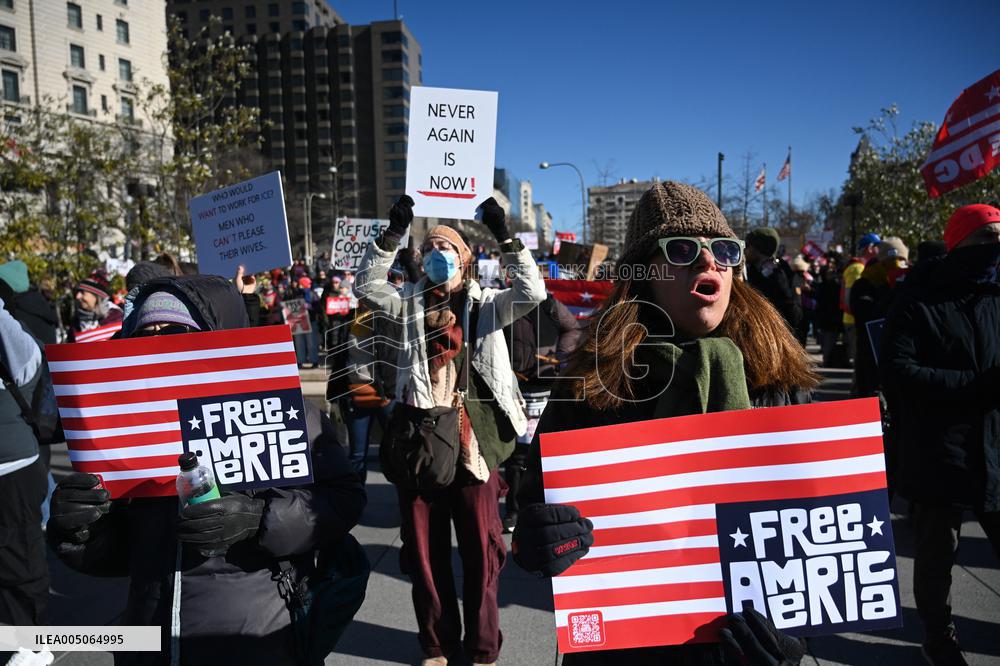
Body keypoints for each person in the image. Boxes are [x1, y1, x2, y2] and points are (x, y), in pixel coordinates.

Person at [512, 181, 817, 665]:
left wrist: (791, 642)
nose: (708, 261)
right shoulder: (592, 383)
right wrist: (536, 541)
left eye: (723, 250)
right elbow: (535, 502)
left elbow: (818, 533)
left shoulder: (777, 380)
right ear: (645, 273)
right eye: (682, 249)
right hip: (622, 647)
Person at [47, 274, 366, 666]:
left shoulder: (284, 410)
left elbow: (344, 500)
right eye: (147, 333)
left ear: (213, 337)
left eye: (177, 330)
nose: (159, 342)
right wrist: (77, 530)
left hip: (252, 639)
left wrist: (259, 519)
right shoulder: (123, 431)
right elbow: (121, 556)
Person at [354, 194, 547, 666]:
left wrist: (504, 235)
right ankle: (437, 645)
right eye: (431, 248)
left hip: (472, 446)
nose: (438, 254)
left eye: (448, 248)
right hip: (419, 444)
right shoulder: (407, 305)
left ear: (464, 261)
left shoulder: (486, 307)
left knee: (482, 554)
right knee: (424, 554)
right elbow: (365, 285)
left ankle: (482, 650)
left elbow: (533, 291)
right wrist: (391, 236)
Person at [882, 204, 1000, 666]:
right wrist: (974, 388)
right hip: (938, 452)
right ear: (960, 243)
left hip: (994, 449)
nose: (995, 247)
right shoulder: (918, 300)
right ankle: (940, 637)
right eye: (987, 238)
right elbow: (898, 373)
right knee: (936, 559)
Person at [502, 291, 581, 532]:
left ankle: (548, 506)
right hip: (515, 389)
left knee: (547, 450)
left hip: (546, 388)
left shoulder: (550, 305)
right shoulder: (503, 303)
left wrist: (560, 354)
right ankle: (514, 510)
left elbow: (573, 328)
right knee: (517, 455)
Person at [0, 295, 50, 651]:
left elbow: (30, 364)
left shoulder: (7, 329)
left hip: (12, 470)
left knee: (19, 560)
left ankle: (32, 646)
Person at [849, 237, 908, 398]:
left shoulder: (908, 283)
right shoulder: (864, 284)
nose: (896, 267)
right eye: (891, 262)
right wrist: (891, 291)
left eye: (901, 262)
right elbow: (866, 317)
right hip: (871, 364)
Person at [744, 227, 802, 332]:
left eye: (747, 245)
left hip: (777, 334)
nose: (745, 249)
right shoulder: (746, 270)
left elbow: (796, 315)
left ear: (758, 248)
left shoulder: (785, 274)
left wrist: (782, 289)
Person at [840, 233, 880, 365]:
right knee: (861, 361)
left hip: (856, 320)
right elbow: (850, 298)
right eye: (877, 246)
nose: (880, 249)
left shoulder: (862, 267)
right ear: (869, 248)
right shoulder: (857, 268)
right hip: (854, 321)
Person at [70, 270, 123, 342]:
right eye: (77, 293)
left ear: (96, 297)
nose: (77, 296)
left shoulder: (115, 316)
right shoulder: (76, 323)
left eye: (83, 293)